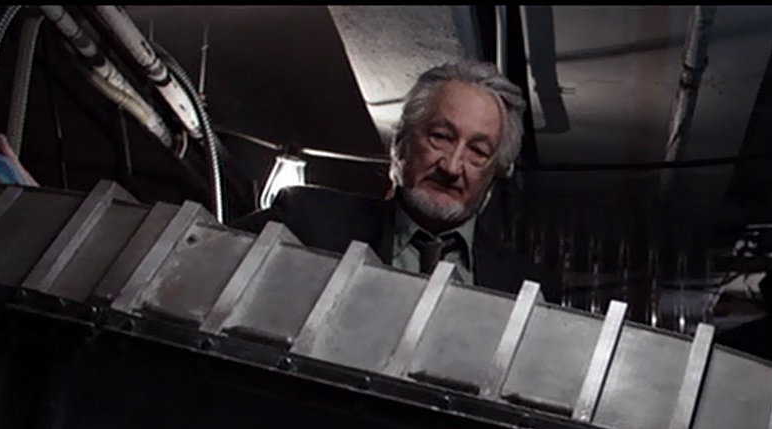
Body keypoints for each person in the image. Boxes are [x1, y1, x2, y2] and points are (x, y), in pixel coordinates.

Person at [230, 60, 549, 298]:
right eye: (440, 136)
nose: (452, 167)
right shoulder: (304, 221)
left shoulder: (522, 287)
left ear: (495, 172)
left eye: (477, 151)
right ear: (400, 143)